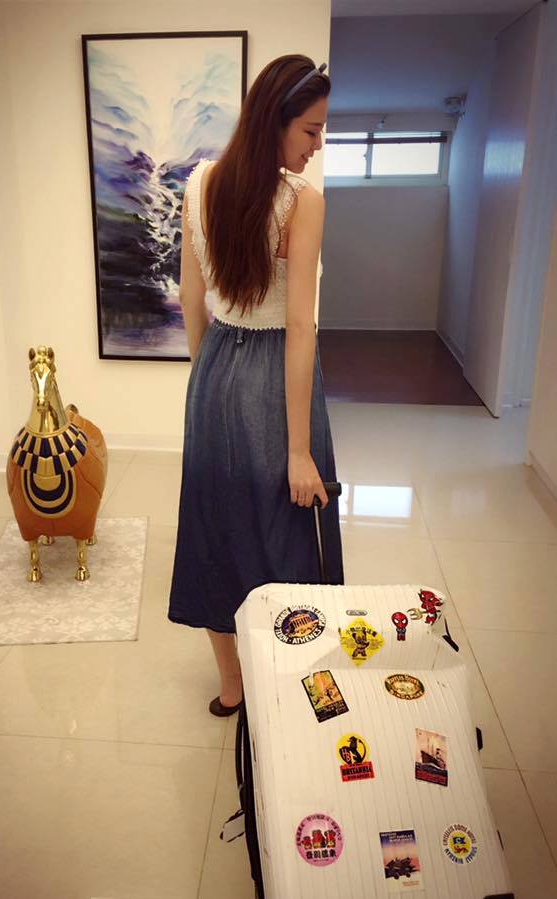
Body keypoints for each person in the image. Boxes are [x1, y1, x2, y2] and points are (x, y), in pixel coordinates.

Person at [167, 54, 345, 716]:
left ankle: (233, 686)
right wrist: (298, 450)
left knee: (215, 528)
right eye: (311, 130)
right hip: (275, 375)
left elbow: (191, 299)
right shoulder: (303, 202)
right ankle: (290, 683)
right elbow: (299, 326)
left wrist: (208, 381)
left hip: (215, 369)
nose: (316, 145)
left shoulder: (199, 183)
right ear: (275, 121)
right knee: (287, 531)